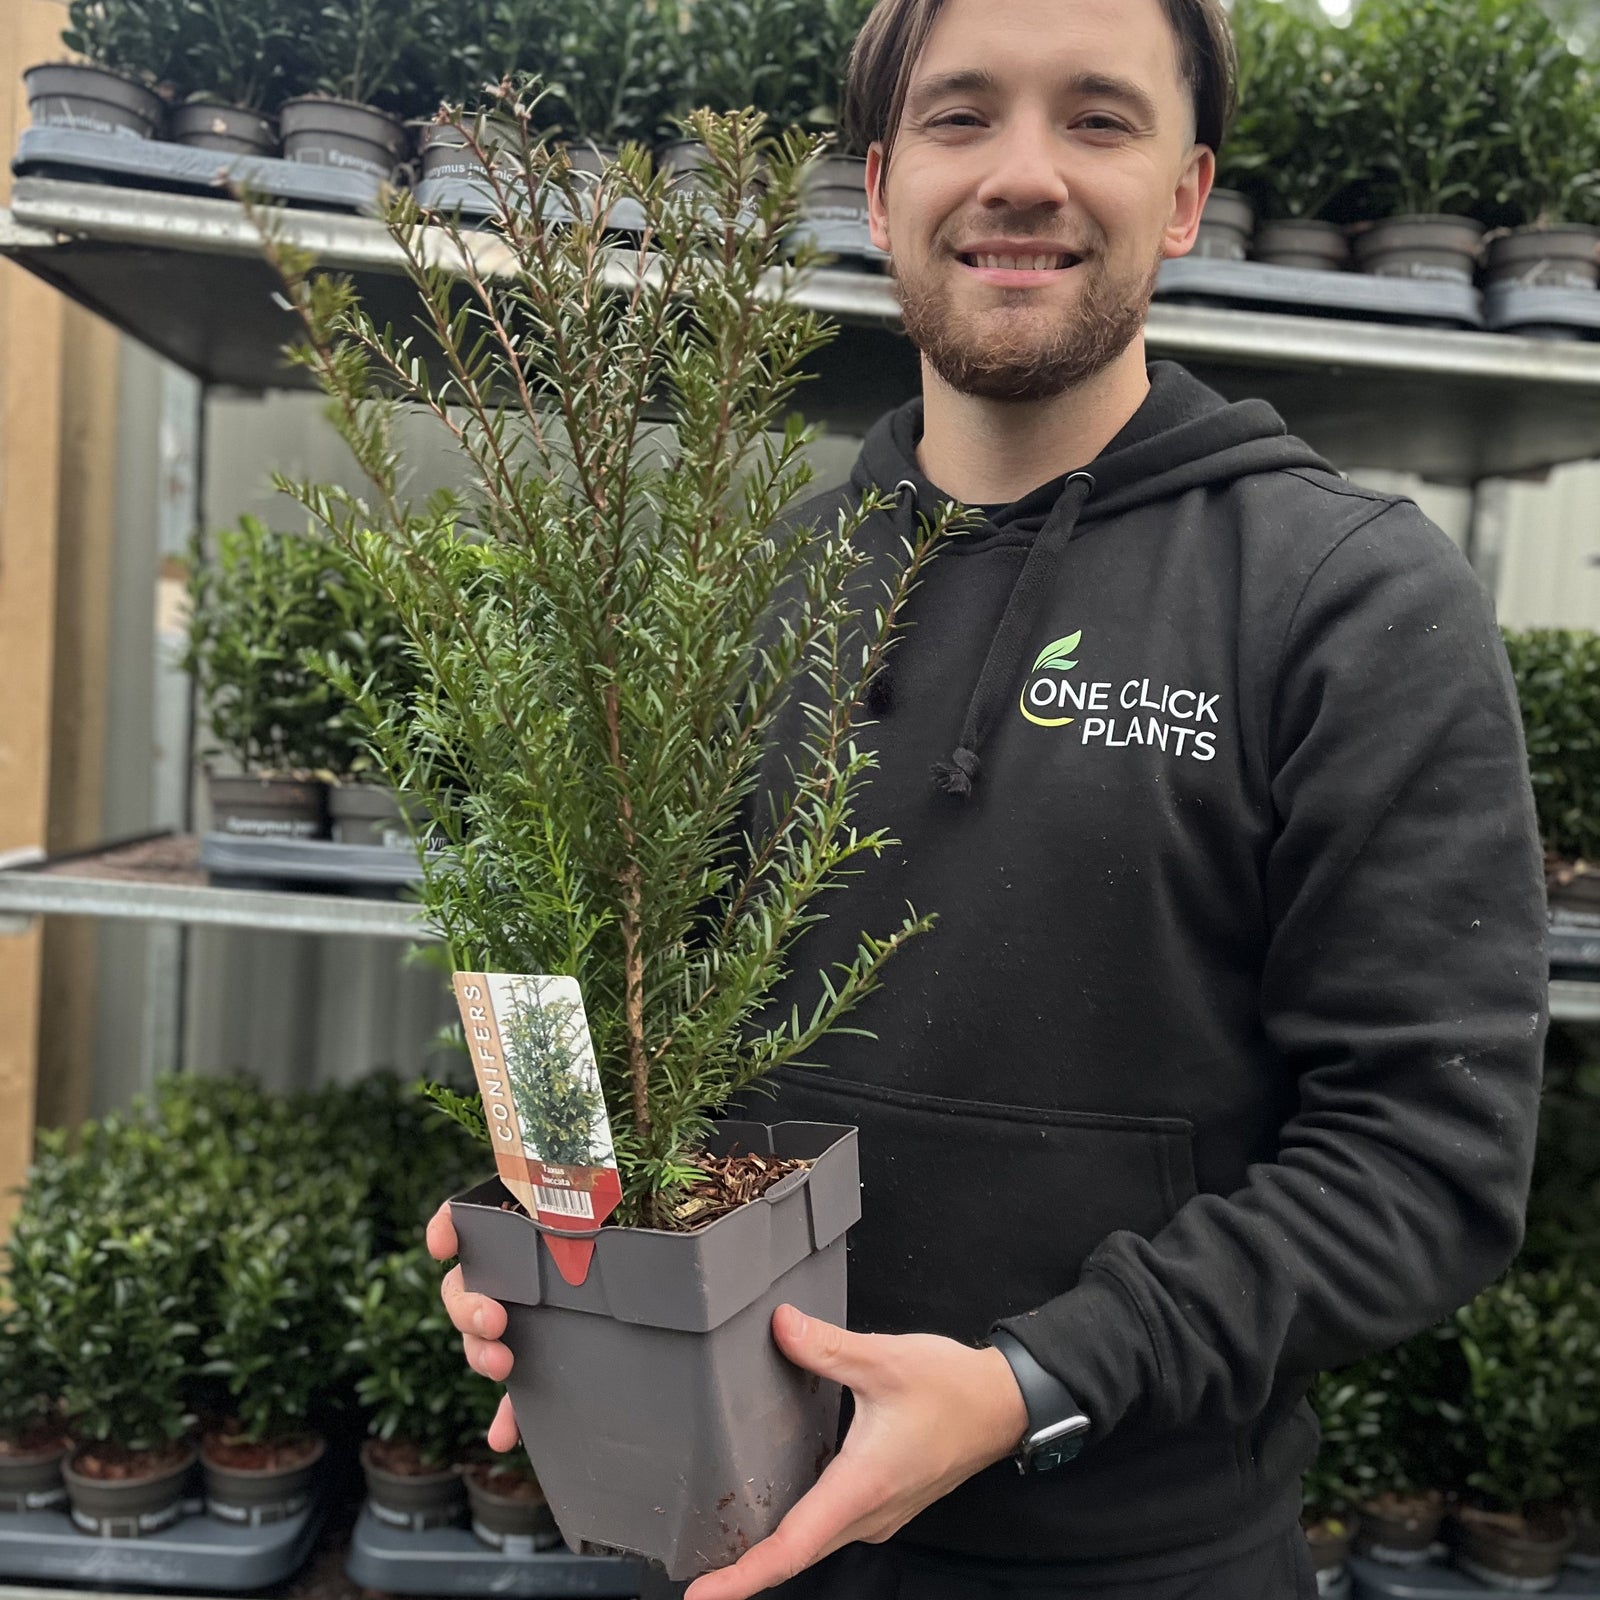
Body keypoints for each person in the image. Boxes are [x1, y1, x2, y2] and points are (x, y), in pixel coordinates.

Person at [427, 0, 1548, 1594]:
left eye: (1097, 118)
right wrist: (535, 1223)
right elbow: (603, 998)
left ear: (1184, 189)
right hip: (724, 1526)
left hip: (1138, 1554)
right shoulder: (746, 593)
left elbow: (1424, 1158)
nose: (1023, 174)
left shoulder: (1347, 601)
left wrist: (1034, 1381)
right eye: (963, 118)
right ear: (880, 190)